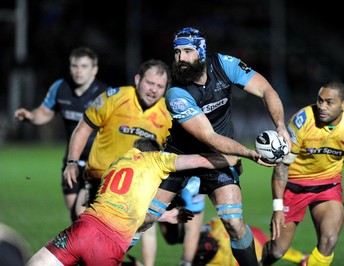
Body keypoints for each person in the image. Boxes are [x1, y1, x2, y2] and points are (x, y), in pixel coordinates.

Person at [136, 26, 292, 266]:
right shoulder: (176, 92)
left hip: (217, 159)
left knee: (234, 222)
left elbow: (266, 89)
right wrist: (249, 153)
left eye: (187, 51)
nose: (181, 59)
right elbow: (208, 136)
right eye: (177, 52)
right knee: (145, 219)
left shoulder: (224, 64)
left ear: (201, 51)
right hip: (181, 157)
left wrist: (281, 126)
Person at [26, 138, 241, 266]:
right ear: (153, 151)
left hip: (82, 231)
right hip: (108, 246)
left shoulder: (119, 161)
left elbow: (128, 206)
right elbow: (198, 160)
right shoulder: (156, 160)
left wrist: (165, 215)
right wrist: (236, 158)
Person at [62, 59, 172, 266]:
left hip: (138, 189)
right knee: (82, 226)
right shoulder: (115, 98)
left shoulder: (168, 114)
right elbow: (84, 127)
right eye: (150, 83)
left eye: (159, 86)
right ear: (138, 79)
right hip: (98, 181)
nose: (153, 90)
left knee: (146, 228)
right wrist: (72, 161)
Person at [260, 81, 344, 266]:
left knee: (329, 240)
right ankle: (260, 261)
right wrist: (277, 208)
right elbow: (282, 166)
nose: (322, 107)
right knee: (277, 251)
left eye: (329, 102)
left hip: (327, 187)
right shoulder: (302, 120)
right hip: (293, 186)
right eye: (319, 101)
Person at [14, 47, 110, 221]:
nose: (78, 70)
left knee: (82, 213)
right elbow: (44, 113)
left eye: (84, 66)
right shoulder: (60, 88)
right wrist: (30, 116)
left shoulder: (106, 94)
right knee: (74, 213)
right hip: (71, 159)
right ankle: (80, 247)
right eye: (75, 66)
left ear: (94, 69)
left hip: (97, 163)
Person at [157, 178, 308, 266]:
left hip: (251, 239)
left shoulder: (217, 258)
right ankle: (301, 258)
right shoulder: (216, 232)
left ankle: (301, 258)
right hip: (251, 235)